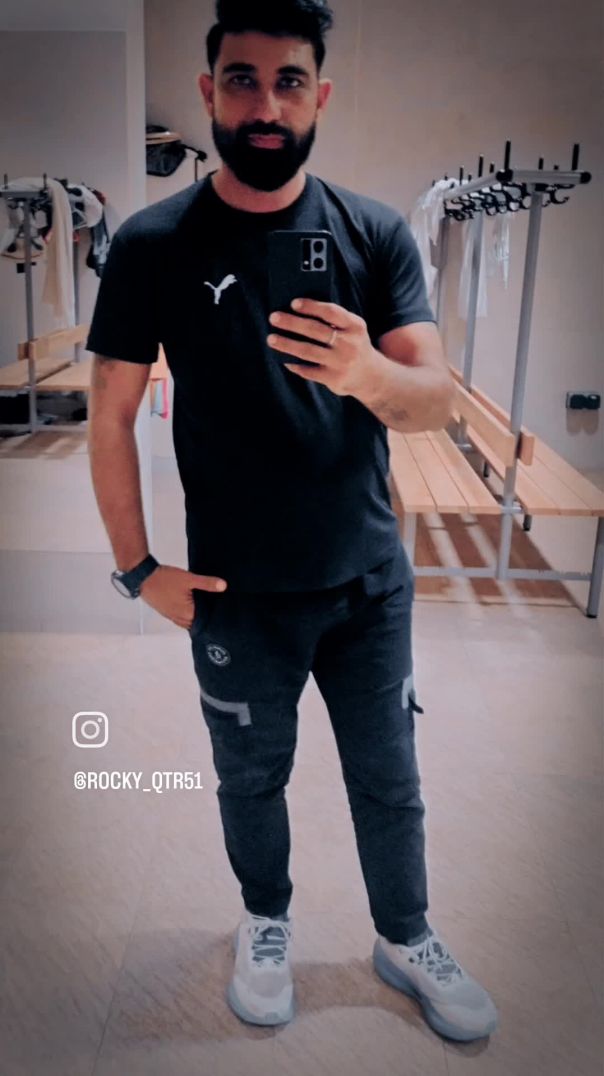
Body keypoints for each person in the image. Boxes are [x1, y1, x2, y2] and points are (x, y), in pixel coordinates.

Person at [86, 0, 498, 1042]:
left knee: (389, 777)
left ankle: (405, 934)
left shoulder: (374, 231)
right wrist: (138, 569)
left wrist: (365, 371)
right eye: (242, 79)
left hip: (367, 582)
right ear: (208, 90)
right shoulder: (151, 243)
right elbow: (111, 411)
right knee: (249, 776)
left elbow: (435, 401)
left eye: (287, 82)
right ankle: (264, 918)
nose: (264, 105)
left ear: (320, 95)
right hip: (234, 594)